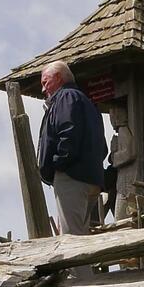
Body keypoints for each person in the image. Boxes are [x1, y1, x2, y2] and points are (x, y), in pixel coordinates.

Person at [36, 60, 105, 235]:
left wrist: (57, 165)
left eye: (45, 82)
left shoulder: (66, 97)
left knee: (71, 239)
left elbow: (68, 134)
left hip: (72, 177)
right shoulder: (87, 103)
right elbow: (102, 146)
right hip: (91, 178)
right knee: (81, 237)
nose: (43, 89)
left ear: (58, 77)